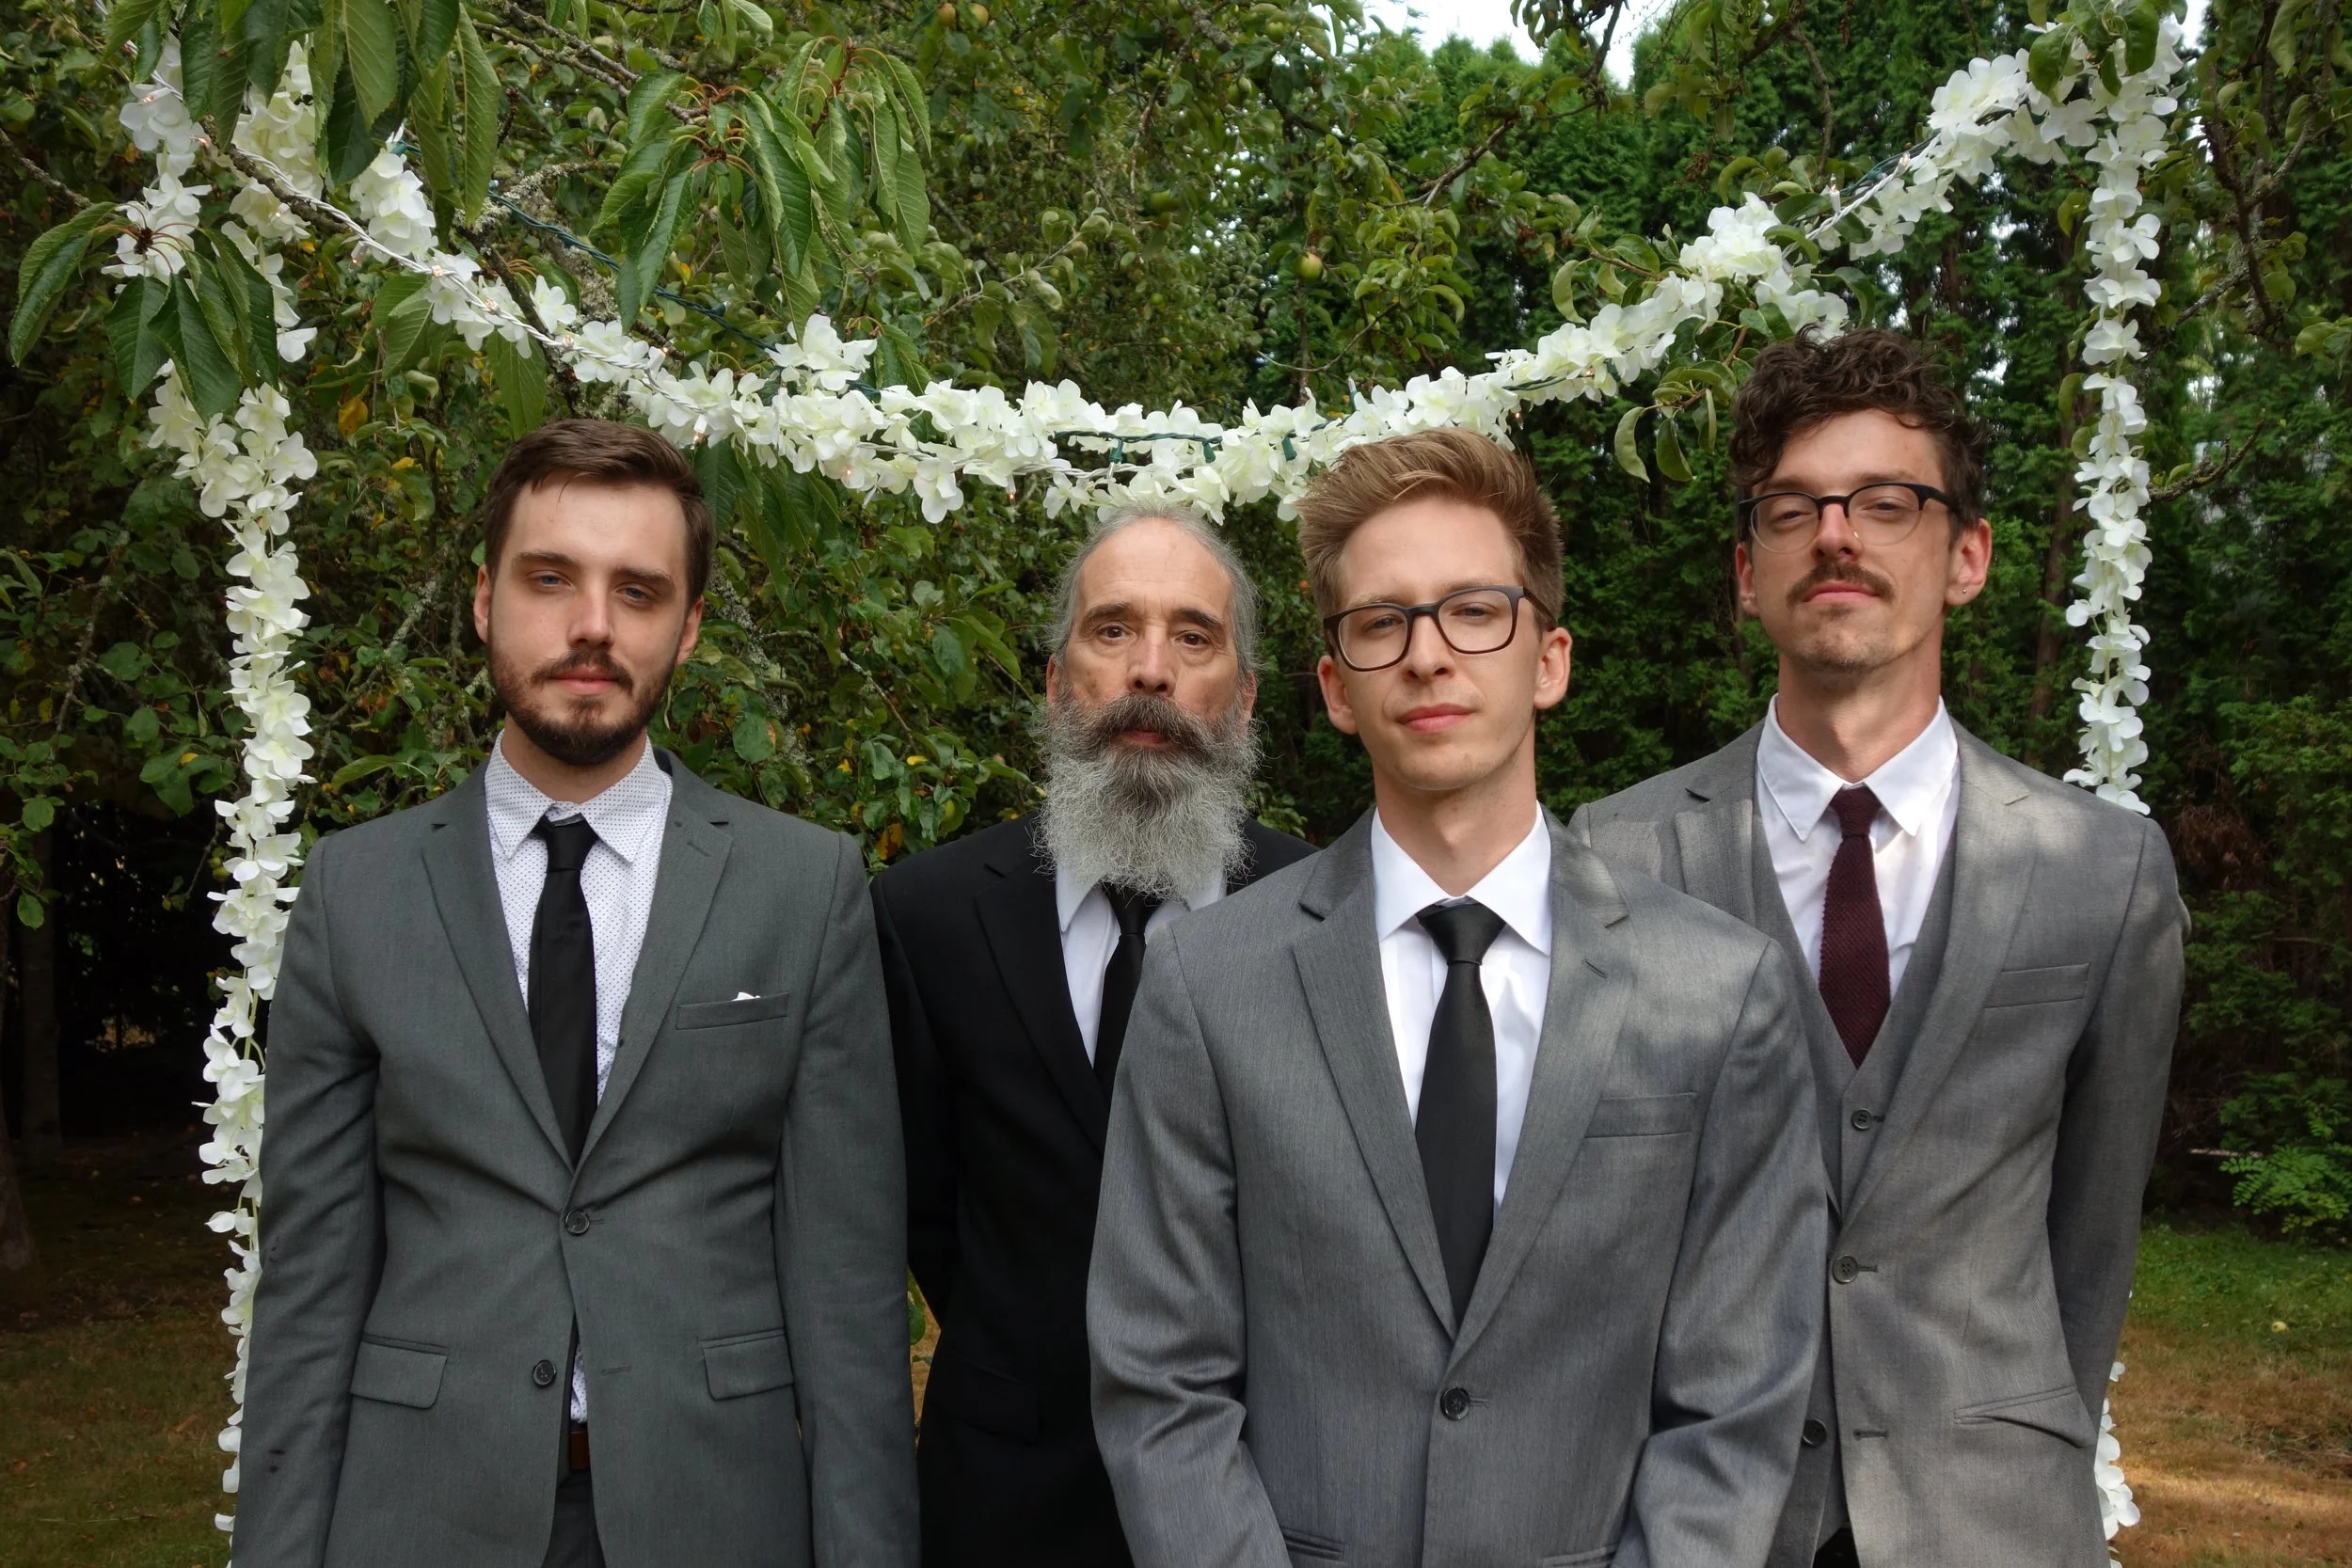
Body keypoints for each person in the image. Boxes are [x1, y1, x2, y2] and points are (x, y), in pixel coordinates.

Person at [1089, 429, 1825, 1568]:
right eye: (1382, 622)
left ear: (1549, 658)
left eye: (1474, 610)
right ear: (1337, 688)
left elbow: (1734, 1404)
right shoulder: (1205, 986)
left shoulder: (1718, 990)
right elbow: (1160, 1379)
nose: (1428, 655)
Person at [236, 420, 916, 1568]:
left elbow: (850, 1302)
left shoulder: (805, 888)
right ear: (484, 601)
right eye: (550, 578)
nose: (592, 624)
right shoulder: (356, 892)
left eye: (638, 591)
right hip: (419, 1515)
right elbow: (308, 1290)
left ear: (689, 627)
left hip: (715, 1511)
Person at [1569, 330, 2186, 1568]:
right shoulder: (1613, 858)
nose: (1838, 534)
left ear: (1966, 557)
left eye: (1885, 502)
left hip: (1993, 1520)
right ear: (1749, 573)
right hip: (1705, 1517)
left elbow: (2092, 1243)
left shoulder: (2103, 871)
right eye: (1795, 507)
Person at [873, 504, 1313, 1568]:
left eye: (1193, 637)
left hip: (1269, 1504)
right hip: (1000, 1508)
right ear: (1057, 680)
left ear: (1244, 697)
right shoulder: (923, 916)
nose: (1149, 670)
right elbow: (919, 1210)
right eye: (1111, 629)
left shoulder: (1325, 914)